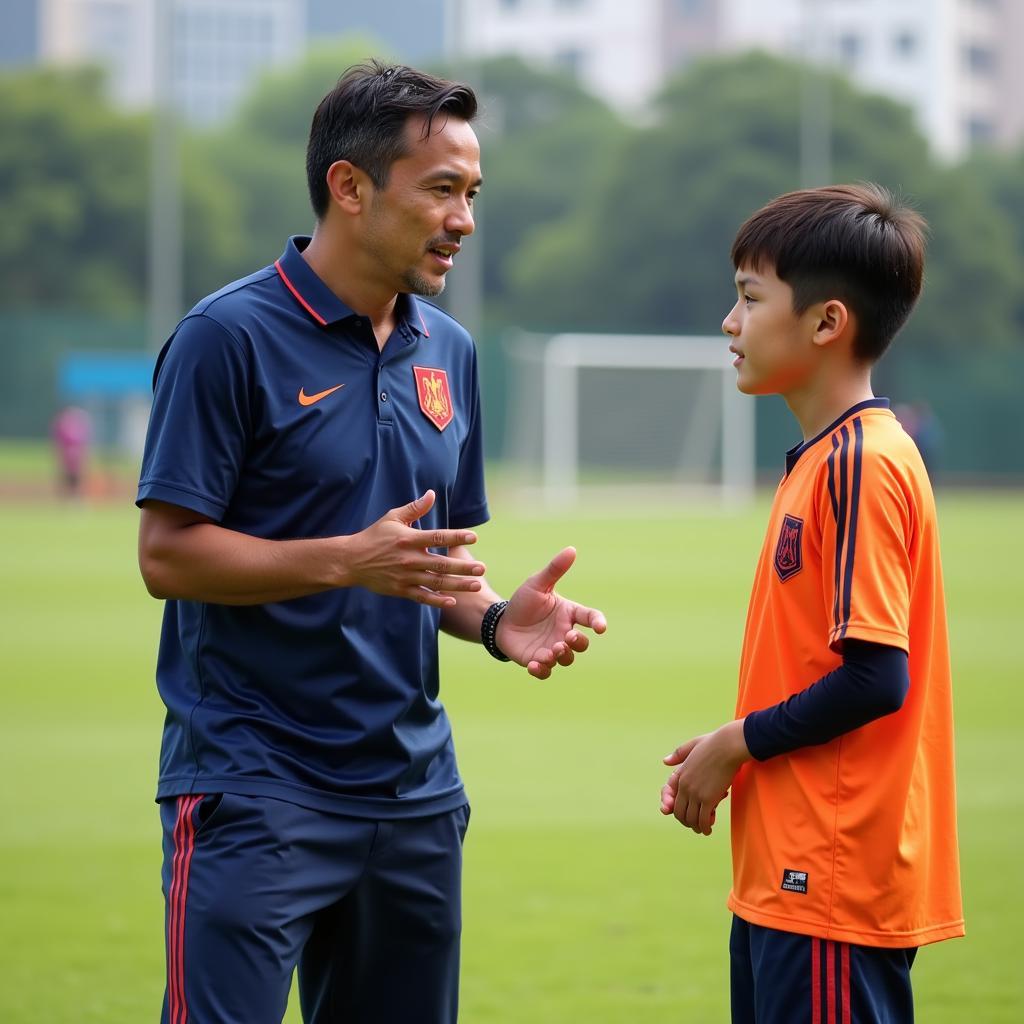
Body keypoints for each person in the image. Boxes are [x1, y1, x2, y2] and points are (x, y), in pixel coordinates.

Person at [136, 61, 606, 1024]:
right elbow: (167, 556)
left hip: (414, 796)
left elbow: (423, 565)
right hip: (254, 787)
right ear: (349, 187)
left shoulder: (452, 351)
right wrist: (346, 558)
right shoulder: (225, 337)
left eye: (472, 193)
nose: (464, 219)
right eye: (441, 190)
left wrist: (492, 623)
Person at [660, 184, 963, 1022]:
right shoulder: (821, 460)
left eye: (750, 299)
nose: (731, 322)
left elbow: (875, 678)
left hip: (830, 881)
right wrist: (737, 745)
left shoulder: (862, 463)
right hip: (787, 880)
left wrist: (737, 742)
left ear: (827, 323)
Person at [51, 404, 92, 498]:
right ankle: (65, 496)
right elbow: (58, 443)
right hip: (67, 459)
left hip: (76, 460)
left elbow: (84, 445)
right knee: (65, 477)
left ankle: (75, 496)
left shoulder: (79, 429)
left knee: (77, 478)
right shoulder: (62, 427)